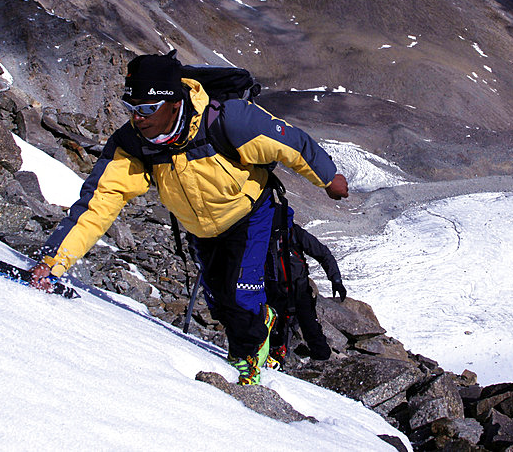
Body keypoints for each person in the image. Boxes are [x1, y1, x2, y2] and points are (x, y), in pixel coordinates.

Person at [30, 52, 349, 385]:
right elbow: (98, 203)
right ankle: (252, 329)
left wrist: (328, 178)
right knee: (218, 302)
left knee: (241, 294)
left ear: (173, 103)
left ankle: (251, 357)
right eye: (132, 109)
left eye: (147, 109)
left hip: (250, 215)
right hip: (199, 228)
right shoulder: (134, 145)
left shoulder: (229, 121)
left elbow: (290, 143)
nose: (138, 119)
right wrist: (53, 263)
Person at [265, 214, 346, 364]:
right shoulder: (289, 234)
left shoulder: (294, 235)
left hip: (295, 291)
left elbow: (323, 254)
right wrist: (336, 280)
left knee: (310, 329)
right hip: (279, 292)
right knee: (279, 331)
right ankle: (280, 362)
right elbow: (324, 254)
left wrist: (336, 280)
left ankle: (322, 364)